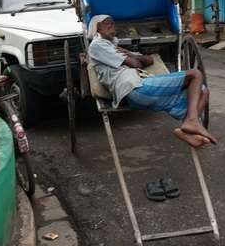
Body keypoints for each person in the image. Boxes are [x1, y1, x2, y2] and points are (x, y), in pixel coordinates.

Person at [87, 15, 216, 149]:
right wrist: (133, 58)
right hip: (134, 87)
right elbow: (134, 63)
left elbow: (149, 60)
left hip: (143, 86)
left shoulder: (115, 48)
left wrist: (132, 55)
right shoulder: (97, 45)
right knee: (195, 74)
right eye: (109, 24)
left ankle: (188, 131)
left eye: (114, 24)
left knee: (203, 91)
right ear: (98, 26)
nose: (115, 27)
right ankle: (192, 121)